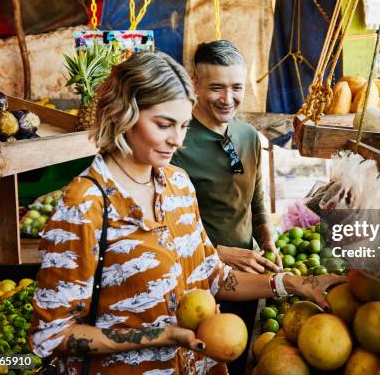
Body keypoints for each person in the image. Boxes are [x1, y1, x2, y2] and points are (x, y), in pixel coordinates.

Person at [28, 51, 344, 375]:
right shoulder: (85, 206)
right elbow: (51, 335)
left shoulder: (177, 184)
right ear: (123, 114)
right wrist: (158, 336)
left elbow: (214, 278)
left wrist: (294, 283)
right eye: (163, 125)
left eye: (183, 126)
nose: (176, 140)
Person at [170, 41, 281, 373]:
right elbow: (165, 225)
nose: (228, 98)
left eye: (236, 87)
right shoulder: (175, 143)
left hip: (245, 275)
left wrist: (267, 240)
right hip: (194, 282)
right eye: (216, 87)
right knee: (197, 363)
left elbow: (254, 197)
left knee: (237, 357)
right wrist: (218, 253)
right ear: (195, 83)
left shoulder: (247, 135)